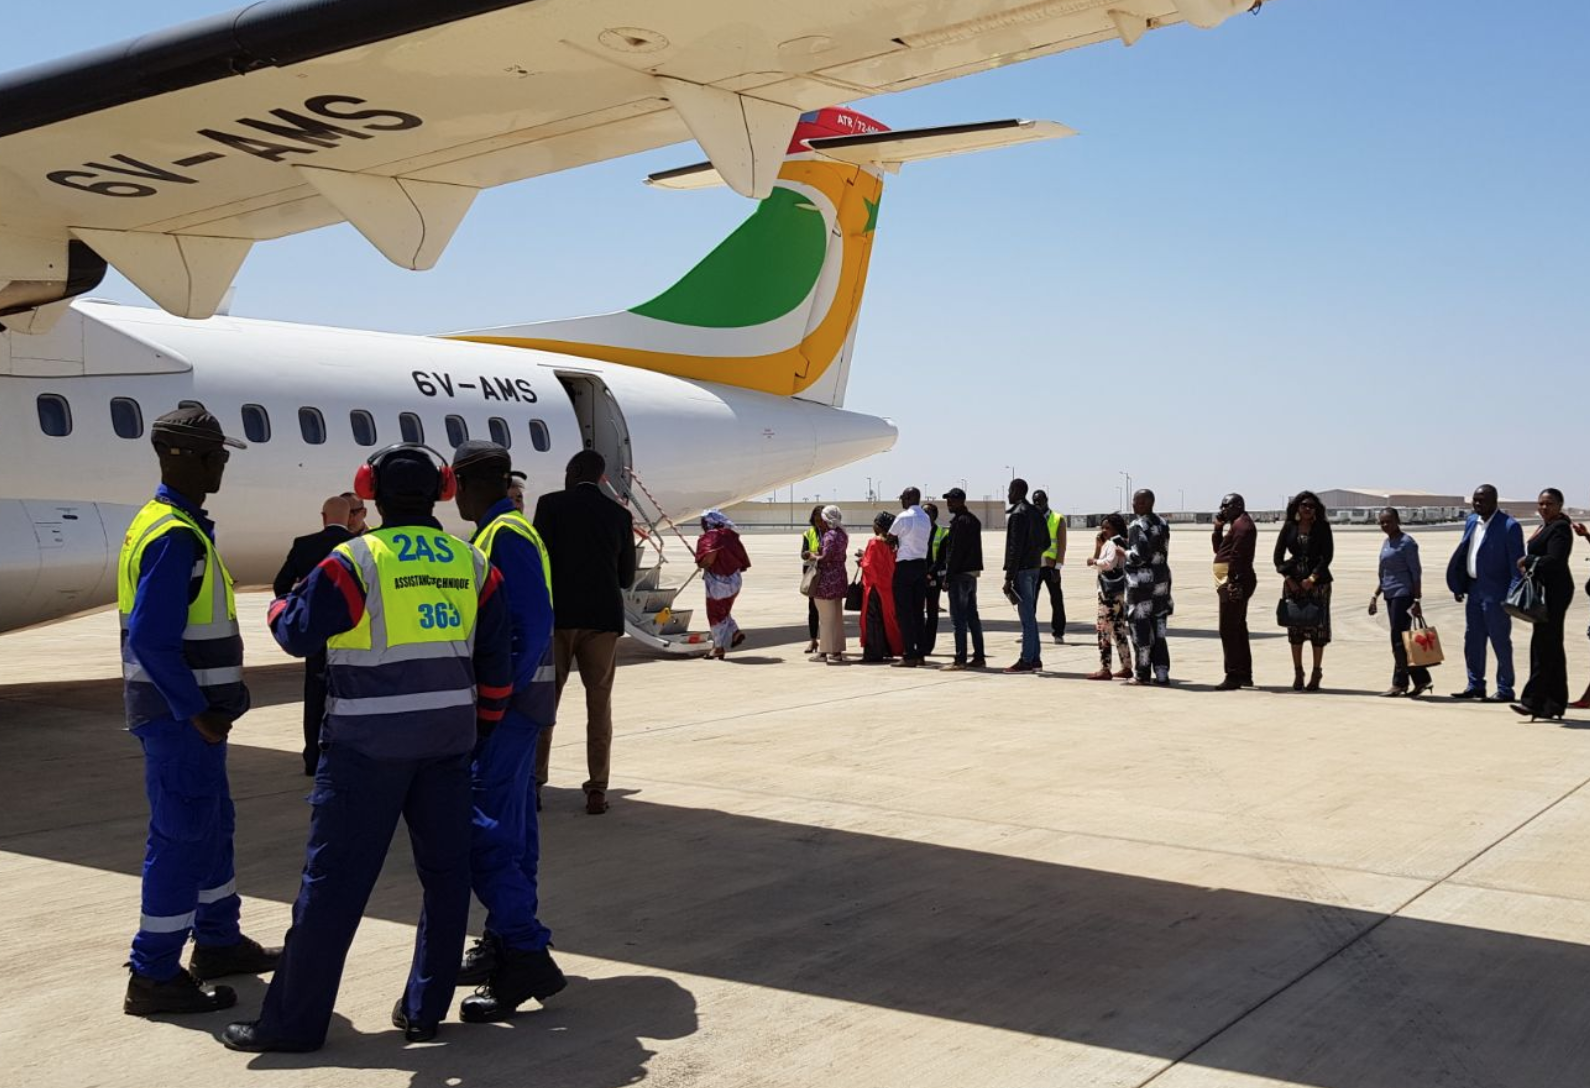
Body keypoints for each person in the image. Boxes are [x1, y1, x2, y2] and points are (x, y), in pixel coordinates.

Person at [223, 444, 512, 1052]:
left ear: (370, 491)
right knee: (444, 878)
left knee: (332, 886)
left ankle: (293, 1025)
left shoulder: (353, 561)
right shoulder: (474, 565)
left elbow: (296, 634)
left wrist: (281, 601)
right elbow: (496, 664)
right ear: (442, 491)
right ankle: (425, 1010)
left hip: (367, 746)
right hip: (447, 745)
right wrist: (476, 728)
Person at [119, 406, 279, 1017]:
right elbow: (152, 639)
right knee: (182, 837)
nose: (223, 464)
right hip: (177, 717)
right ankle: (153, 972)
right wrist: (196, 711)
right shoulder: (173, 534)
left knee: (212, 827)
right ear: (189, 458)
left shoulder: (170, 523)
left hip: (190, 717)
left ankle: (216, 940)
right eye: (217, 454)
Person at [450, 440, 566, 1022]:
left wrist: (497, 699)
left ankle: (522, 949)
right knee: (514, 833)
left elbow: (533, 621)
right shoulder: (504, 532)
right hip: (520, 706)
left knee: (489, 832)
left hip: (511, 710)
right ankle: (506, 936)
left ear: (472, 484)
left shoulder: (505, 536)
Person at [532, 450, 636, 816]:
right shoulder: (620, 515)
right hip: (603, 620)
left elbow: (538, 561)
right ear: (601, 475)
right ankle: (597, 789)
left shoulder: (550, 506)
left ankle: (535, 783)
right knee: (599, 706)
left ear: (574, 471)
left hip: (558, 618)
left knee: (545, 702)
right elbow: (625, 577)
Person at [273, 495, 357, 776]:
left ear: (323, 517)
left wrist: (297, 607)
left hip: (315, 637)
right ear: (350, 518)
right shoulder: (357, 547)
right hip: (350, 637)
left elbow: (281, 583)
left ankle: (312, 757)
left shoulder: (304, 545)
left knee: (315, 697)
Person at [1446, 484, 1525, 702]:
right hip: (1474, 589)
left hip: (1497, 593)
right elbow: (1466, 554)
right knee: (1473, 640)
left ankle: (1505, 688)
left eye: (1482, 500)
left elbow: (1517, 566)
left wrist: (1512, 596)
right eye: (1475, 500)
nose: (1478, 504)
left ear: (1495, 501)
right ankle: (1475, 685)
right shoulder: (1472, 521)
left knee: (1500, 642)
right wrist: (1459, 584)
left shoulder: (1509, 526)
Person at [1513, 489, 1575, 721]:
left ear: (1559, 505)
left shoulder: (1559, 528)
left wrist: (1527, 560)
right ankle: (1554, 703)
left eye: (1549, 503)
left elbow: (1556, 560)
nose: (1544, 507)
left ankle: (1533, 701)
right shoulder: (1547, 527)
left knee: (1543, 646)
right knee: (1552, 647)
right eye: (1541, 503)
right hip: (1545, 592)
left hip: (1554, 594)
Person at [1369, 508, 1432, 697]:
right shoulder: (1387, 542)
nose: (1385, 525)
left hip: (1403, 594)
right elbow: (1385, 574)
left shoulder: (1407, 543)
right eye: (1381, 522)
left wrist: (1417, 599)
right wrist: (1375, 595)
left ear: (1397, 521)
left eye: (1388, 521)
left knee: (1398, 640)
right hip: (1389, 593)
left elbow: (1416, 573)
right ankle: (1421, 679)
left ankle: (1400, 683)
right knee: (1402, 641)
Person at [1274, 490, 1333, 692]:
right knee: (1296, 627)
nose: (1307, 509)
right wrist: (1289, 578)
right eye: (1304, 505)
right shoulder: (1289, 527)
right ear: (1297, 507)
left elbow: (1327, 556)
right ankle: (1298, 672)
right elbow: (1278, 557)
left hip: (1318, 584)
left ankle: (1316, 672)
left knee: (1318, 628)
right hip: (1293, 583)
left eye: (1311, 506)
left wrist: (1313, 578)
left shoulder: (1323, 528)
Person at [1124, 489, 1175, 685]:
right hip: (1161, 585)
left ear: (1145, 503)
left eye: (1136, 502)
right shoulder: (1163, 523)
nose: (1133, 505)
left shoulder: (1138, 525)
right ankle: (1162, 673)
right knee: (1159, 633)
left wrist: (1123, 552)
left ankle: (1142, 673)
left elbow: (1139, 556)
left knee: (1141, 632)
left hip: (1142, 588)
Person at [1211, 493, 1258, 691]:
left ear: (1238, 506)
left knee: (1228, 629)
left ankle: (1233, 675)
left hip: (1234, 582)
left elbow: (1238, 557)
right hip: (1230, 581)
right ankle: (1244, 674)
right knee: (1238, 628)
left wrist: (1233, 582)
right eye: (1222, 506)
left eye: (1226, 506)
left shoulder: (1243, 526)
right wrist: (1217, 529)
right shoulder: (1236, 524)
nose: (1222, 510)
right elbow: (1219, 549)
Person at [1002, 478, 1048, 673]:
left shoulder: (1018, 515)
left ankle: (1027, 659)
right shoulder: (1036, 513)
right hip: (1035, 567)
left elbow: (1015, 548)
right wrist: (1034, 554)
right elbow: (1046, 542)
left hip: (1022, 570)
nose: (1008, 495)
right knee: (1030, 615)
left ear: (1016, 491)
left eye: (1010, 491)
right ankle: (1035, 657)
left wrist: (1008, 577)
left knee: (1027, 617)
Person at [940, 488, 986, 670]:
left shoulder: (960, 523)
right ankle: (979, 656)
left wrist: (947, 577)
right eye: (948, 500)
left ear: (961, 501)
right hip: (971, 575)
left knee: (958, 619)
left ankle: (960, 659)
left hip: (959, 575)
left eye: (952, 500)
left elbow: (955, 553)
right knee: (972, 617)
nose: (949, 504)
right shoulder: (973, 520)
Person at [696, 509, 752, 659]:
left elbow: (709, 558)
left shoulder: (711, 537)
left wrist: (703, 563)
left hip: (718, 582)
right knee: (723, 610)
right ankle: (735, 633)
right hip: (735, 580)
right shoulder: (731, 536)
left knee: (715, 613)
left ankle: (718, 647)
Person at [886, 487, 931, 667]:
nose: (902, 501)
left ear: (911, 497)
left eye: (903, 497)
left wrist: (894, 542)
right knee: (918, 612)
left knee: (904, 613)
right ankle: (920, 653)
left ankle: (909, 654)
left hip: (905, 566)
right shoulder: (926, 517)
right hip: (921, 565)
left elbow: (890, 537)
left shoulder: (903, 517)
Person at [1085, 513, 1133, 680]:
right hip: (1119, 592)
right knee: (1119, 630)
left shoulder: (1112, 543)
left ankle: (1105, 667)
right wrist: (1099, 546)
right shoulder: (1123, 542)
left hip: (1108, 594)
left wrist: (1093, 561)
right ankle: (1126, 666)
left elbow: (1108, 563)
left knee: (1103, 629)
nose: (1104, 531)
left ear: (1116, 528)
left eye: (1108, 527)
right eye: (1103, 527)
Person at [859, 511, 903, 662]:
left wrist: (862, 560)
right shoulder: (893, 543)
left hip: (874, 587)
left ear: (878, 525)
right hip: (888, 586)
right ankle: (888, 648)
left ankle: (873, 653)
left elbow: (869, 565)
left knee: (872, 620)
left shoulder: (874, 542)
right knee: (887, 620)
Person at [810, 505, 849, 664]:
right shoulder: (842, 534)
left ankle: (824, 652)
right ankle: (837, 651)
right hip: (839, 579)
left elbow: (825, 558)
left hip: (826, 581)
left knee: (825, 619)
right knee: (836, 618)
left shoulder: (830, 535)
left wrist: (813, 556)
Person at [1033, 489, 1068, 645]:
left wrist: (1057, 567)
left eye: (1040, 500)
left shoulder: (1057, 518)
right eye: (1035, 501)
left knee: (1056, 600)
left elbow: (1061, 545)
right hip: (1033, 566)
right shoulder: (1031, 519)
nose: (1037, 503)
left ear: (1047, 499)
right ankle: (1029, 631)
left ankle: (1058, 632)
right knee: (1030, 600)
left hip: (1050, 566)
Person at [921, 501, 949, 656]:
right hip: (919, 577)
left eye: (928, 513)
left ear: (934, 516)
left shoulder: (942, 533)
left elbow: (941, 559)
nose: (924, 516)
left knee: (932, 612)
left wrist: (930, 573)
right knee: (917, 612)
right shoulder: (918, 531)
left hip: (933, 578)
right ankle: (919, 642)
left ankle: (928, 646)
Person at [800, 504, 826, 654]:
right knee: (813, 608)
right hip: (812, 572)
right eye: (816, 520)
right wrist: (810, 554)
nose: (818, 523)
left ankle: (825, 641)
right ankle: (813, 640)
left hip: (826, 572)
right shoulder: (809, 533)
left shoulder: (830, 533)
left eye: (821, 520)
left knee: (826, 609)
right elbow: (802, 553)